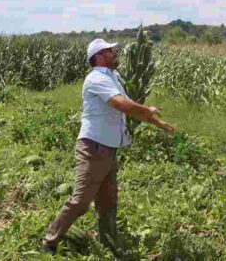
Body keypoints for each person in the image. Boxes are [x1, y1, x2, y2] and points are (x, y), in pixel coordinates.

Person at [41, 38, 175, 255]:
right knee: (82, 201)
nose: (115, 53)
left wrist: (157, 122)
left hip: (109, 148)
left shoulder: (113, 78)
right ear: (99, 57)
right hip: (93, 147)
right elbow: (120, 104)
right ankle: (49, 241)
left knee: (107, 199)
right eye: (110, 51)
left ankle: (107, 243)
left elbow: (131, 108)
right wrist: (147, 111)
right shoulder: (96, 79)